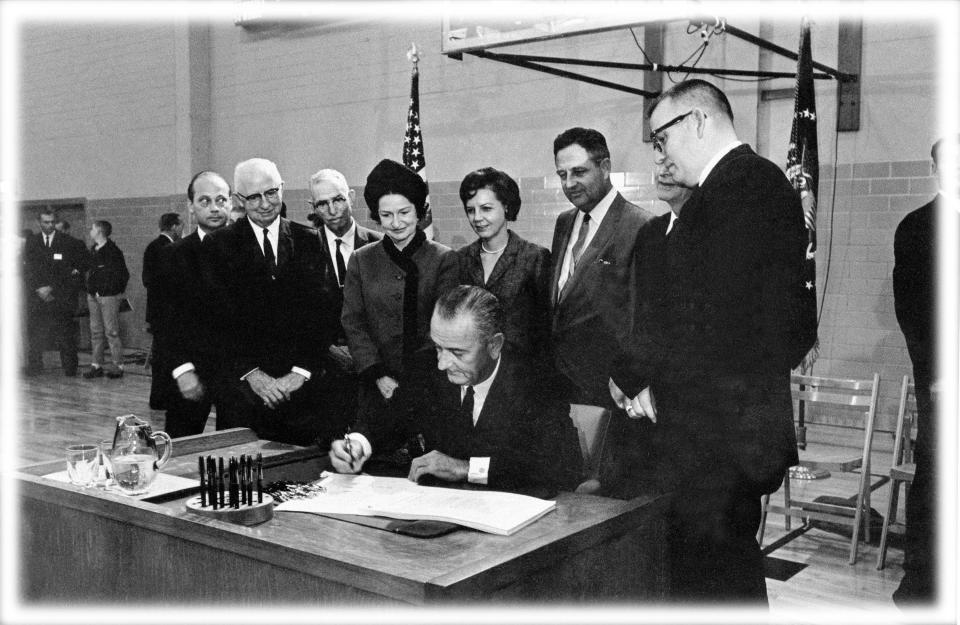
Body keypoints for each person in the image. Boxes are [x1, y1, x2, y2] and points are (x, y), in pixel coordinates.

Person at [609, 79, 808, 603]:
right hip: (718, 428)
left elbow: (706, 323)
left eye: (661, 138)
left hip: (721, 435)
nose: (661, 153)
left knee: (717, 580)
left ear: (696, 121)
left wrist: (637, 375)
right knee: (712, 575)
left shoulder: (741, 191)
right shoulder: (740, 188)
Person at [330, 285, 582, 496]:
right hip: (441, 514)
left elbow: (559, 468)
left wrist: (466, 468)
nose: (442, 363)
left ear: (494, 345)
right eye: (439, 347)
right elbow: (388, 419)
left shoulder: (537, 381)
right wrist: (358, 444)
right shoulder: (426, 366)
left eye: (457, 353)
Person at [202, 158, 341, 446]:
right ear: (239, 199)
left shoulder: (310, 240)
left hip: (301, 393)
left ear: (282, 189)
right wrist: (252, 374)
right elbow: (214, 322)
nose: (265, 203)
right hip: (244, 394)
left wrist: (300, 372)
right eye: (254, 197)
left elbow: (324, 315)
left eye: (271, 192)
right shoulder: (218, 246)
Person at [600, 157, 694, 500]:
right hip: (636, 394)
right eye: (659, 160)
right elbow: (640, 317)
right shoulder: (652, 232)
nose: (664, 170)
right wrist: (629, 378)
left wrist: (649, 382)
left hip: (674, 397)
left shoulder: (707, 237)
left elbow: (684, 328)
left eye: (675, 163)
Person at [341, 159, 459, 423]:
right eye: (386, 215)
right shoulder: (361, 259)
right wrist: (378, 374)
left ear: (419, 211)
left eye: (404, 212)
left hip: (432, 384)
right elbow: (353, 322)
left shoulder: (444, 259)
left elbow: (445, 324)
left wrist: (414, 382)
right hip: (376, 388)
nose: (396, 223)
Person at [891, 136, 956, 605]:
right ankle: (920, 585)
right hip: (943, 382)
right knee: (934, 477)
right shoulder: (916, 229)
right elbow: (912, 312)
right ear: (935, 169)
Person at [548, 127, 652, 407]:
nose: (569, 183)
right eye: (562, 174)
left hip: (608, 388)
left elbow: (645, 320)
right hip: (559, 384)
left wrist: (627, 379)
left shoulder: (640, 226)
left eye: (579, 172)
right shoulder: (564, 222)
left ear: (605, 168)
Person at [306, 168, 382, 428]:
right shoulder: (303, 250)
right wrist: (329, 351)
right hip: (325, 369)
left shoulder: (380, 245)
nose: (332, 209)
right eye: (322, 204)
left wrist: (365, 355)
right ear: (313, 208)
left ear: (351, 197)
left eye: (338, 199)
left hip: (374, 366)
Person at [160, 172, 231, 438]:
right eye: (205, 201)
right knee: (179, 452)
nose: (214, 207)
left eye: (221, 200)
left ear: (231, 203)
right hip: (191, 372)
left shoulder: (248, 250)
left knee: (236, 454)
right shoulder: (172, 256)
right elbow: (165, 320)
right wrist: (182, 370)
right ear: (190, 206)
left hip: (238, 375)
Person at [456, 167, 551, 363]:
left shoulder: (534, 257)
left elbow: (545, 328)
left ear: (506, 206)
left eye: (486, 208)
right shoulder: (461, 258)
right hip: (475, 371)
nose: (477, 218)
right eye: (470, 210)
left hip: (521, 372)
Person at [23, 209, 88, 376]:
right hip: (37, 295)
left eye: (52, 222)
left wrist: (51, 287)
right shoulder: (32, 242)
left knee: (65, 333)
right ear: (39, 222)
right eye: (46, 222)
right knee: (36, 332)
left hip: (60, 295)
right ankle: (35, 366)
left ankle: (70, 367)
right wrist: (39, 288)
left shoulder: (67, 242)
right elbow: (29, 268)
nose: (49, 225)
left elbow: (69, 269)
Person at [142, 212, 183, 410]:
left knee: (160, 355)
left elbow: (147, 280)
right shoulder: (168, 248)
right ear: (174, 227)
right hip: (167, 311)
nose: (182, 230)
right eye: (181, 226)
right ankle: (162, 397)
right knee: (166, 356)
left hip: (158, 311)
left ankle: (159, 397)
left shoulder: (152, 247)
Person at [83, 220, 130, 379]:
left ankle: (118, 365)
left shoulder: (113, 251)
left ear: (100, 232)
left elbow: (122, 276)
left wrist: (108, 291)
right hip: (93, 296)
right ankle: (96, 365)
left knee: (111, 331)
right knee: (96, 332)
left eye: (93, 228)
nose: (91, 231)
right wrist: (91, 290)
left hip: (108, 297)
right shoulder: (93, 250)